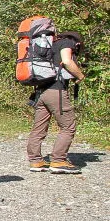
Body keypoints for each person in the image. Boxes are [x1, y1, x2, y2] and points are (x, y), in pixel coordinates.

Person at [27, 30, 86, 173]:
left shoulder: (49, 45)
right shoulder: (67, 43)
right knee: (68, 126)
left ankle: (36, 161)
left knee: (39, 127)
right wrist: (80, 75)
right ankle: (59, 161)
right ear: (76, 42)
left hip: (41, 91)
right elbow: (66, 61)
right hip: (56, 91)